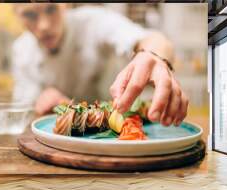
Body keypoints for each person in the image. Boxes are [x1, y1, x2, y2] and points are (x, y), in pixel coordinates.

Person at [12, 3, 188, 126]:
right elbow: (24, 112)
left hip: (114, 125)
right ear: (16, 15)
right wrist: (42, 100)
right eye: (30, 14)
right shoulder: (21, 50)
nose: (43, 25)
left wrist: (154, 57)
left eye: (51, 9)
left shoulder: (93, 21)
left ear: (65, 5)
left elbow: (154, 39)